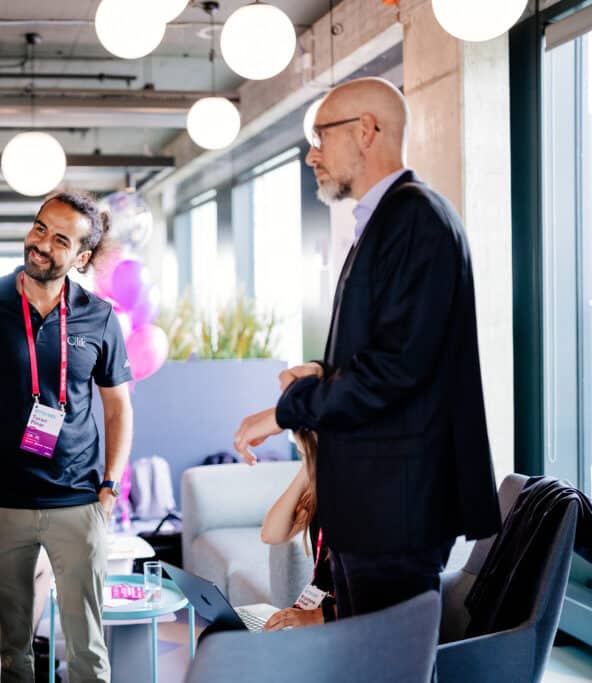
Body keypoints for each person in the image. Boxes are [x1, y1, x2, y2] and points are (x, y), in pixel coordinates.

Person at [234, 77, 501, 619]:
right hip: (374, 508)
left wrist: (285, 412)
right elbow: (391, 349)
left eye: (320, 137)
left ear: (366, 130)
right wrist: (322, 370)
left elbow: (396, 368)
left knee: (388, 661)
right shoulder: (386, 220)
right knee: (363, 658)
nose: (311, 155)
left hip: (396, 509)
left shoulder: (416, 218)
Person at [0, 191, 134, 683]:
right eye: (39, 228)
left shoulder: (99, 316)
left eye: (61, 240)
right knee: (10, 655)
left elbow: (118, 408)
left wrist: (109, 488)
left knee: (89, 652)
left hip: (78, 501)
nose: (42, 243)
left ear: (82, 258)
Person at [259, 431, 336, 630]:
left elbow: (381, 599)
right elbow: (270, 534)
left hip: (346, 622)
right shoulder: (319, 490)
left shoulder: (362, 496)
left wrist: (316, 616)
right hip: (320, 613)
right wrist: (307, 469)